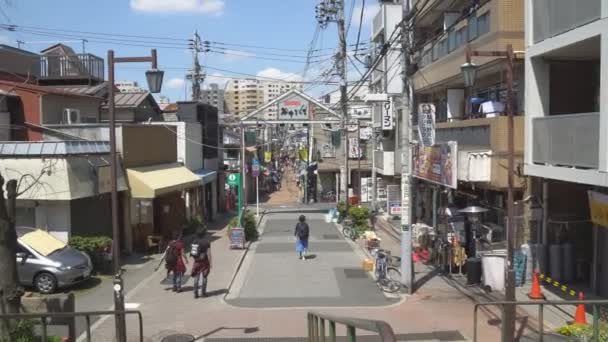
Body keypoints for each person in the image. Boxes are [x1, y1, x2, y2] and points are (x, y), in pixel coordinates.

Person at [190, 228, 212, 298]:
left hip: (197, 261)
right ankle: (203, 292)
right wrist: (210, 263)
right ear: (204, 234)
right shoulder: (207, 242)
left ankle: (195, 293)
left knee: (196, 277)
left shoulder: (194, 241)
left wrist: (196, 259)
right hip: (205, 262)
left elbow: (193, 252)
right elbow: (209, 253)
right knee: (204, 276)